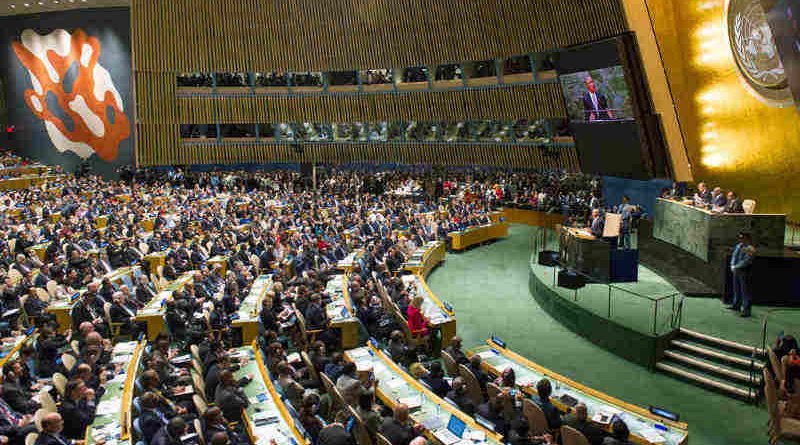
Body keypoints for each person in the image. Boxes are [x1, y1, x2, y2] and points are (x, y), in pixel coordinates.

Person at [727, 232, 755, 317]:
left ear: (747, 239)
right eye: (740, 238)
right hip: (736, 270)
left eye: (743, 238)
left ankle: (746, 310)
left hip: (744, 271)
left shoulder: (750, 249)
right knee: (736, 288)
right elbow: (734, 256)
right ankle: (736, 305)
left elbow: (747, 260)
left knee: (745, 291)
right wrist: (732, 265)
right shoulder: (738, 246)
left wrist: (737, 267)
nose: (741, 239)